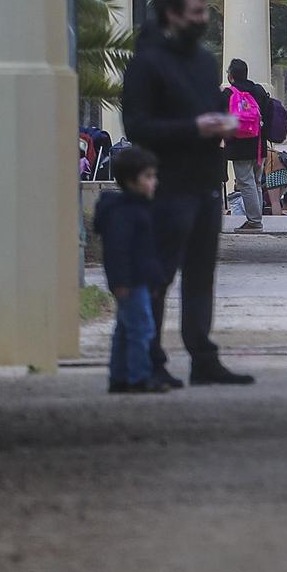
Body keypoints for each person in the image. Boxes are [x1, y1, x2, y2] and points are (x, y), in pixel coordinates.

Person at [119, 0, 253, 388]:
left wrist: (222, 123)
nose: (203, 20)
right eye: (195, 13)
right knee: (158, 275)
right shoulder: (147, 62)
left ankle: (202, 355)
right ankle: (150, 359)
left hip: (205, 181)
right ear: (173, 13)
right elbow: (137, 125)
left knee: (201, 274)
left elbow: (208, 108)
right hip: (165, 184)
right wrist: (194, 127)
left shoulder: (204, 62)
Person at [93, 147, 169, 395]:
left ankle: (120, 376)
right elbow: (119, 250)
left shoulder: (139, 208)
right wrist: (121, 280)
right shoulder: (124, 213)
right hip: (130, 280)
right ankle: (139, 376)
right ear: (131, 180)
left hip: (139, 279)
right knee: (142, 328)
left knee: (125, 328)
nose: (153, 182)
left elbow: (147, 251)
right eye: (148, 176)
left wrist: (155, 278)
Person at [223, 57, 279, 232]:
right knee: (254, 182)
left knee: (245, 183)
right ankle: (256, 217)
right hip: (259, 145)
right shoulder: (259, 91)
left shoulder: (228, 93)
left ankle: (254, 221)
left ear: (231, 76)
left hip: (239, 146)